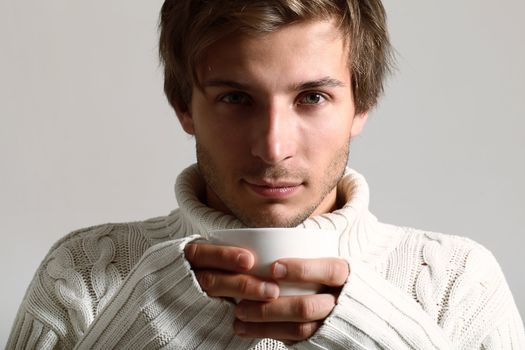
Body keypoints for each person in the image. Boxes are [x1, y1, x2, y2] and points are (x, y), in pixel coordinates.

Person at [7, 0, 524, 349]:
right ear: (183, 105)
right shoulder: (82, 272)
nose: (273, 147)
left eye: (313, 97)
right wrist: (140, 325)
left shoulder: (459, 283)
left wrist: (373, 327)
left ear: (360, 104)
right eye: (236, 98)